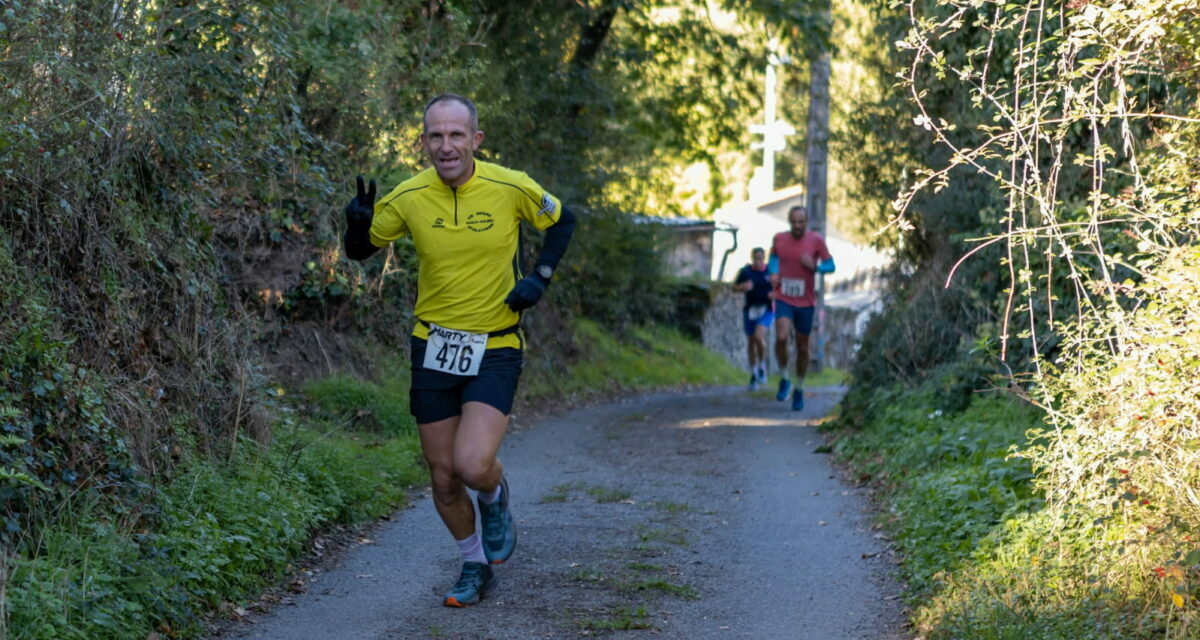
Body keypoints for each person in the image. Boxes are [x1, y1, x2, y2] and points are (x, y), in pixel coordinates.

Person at [342, 93, 576, 607]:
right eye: (435, 136)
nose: (445, 146)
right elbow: (361, 250)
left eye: (455, 135)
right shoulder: (408, 196)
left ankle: (494, 495)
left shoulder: (509, 186)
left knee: (472, 465)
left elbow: (563, 220)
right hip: (434, 345)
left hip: (495, 343)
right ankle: (475, 564)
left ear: (475, 139)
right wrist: (354, 226)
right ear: (423, 141)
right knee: (443, 475)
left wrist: (539, 276)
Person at [768, 205, 834, 411]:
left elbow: (831, 266)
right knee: (781, 337)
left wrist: (815, 267)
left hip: (806, 302)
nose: (797, 226)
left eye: (801, 222)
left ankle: (799, 388)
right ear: (789, 222)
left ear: (806, 222)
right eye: (794, 222)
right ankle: (785, 378)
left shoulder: (816, 241)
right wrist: (773, 273)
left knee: (802, 347)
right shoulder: (779, 239)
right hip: (784, 298)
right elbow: (773, 259)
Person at [733, 247, 774, 390]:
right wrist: (742, 287)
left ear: (764, 258)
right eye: (755, 258)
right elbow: (734, 287)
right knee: (751, 342)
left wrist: (775, 294)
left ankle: (762, 365)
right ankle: (754, 374)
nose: (758, 261)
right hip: (750, 310)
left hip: (767, 309)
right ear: (752, 258)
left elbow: (780, 286)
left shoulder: (770, 271)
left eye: (760, 258)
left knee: (758, 336)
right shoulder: (745, 272)